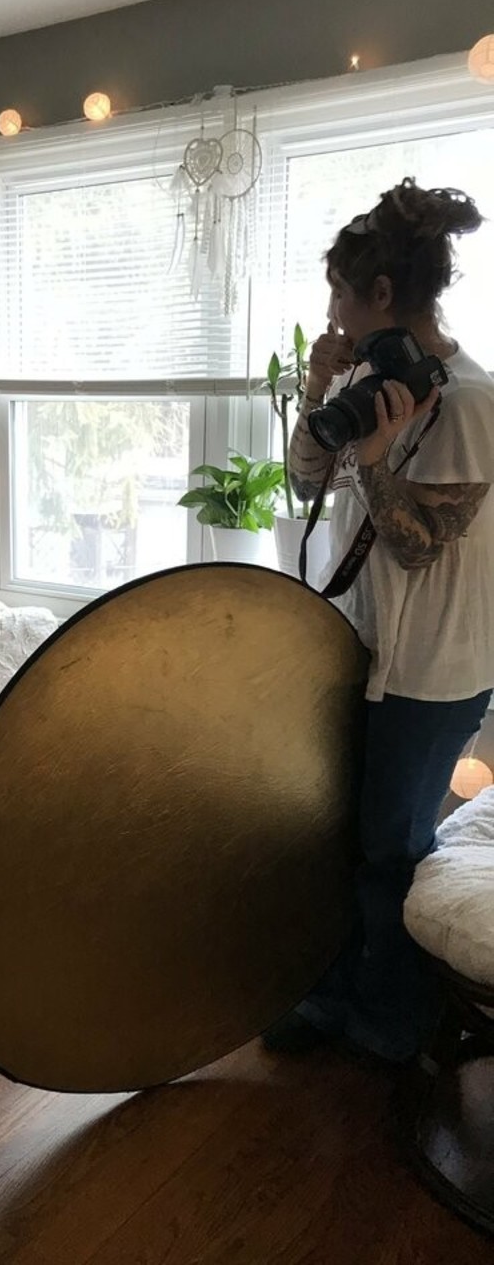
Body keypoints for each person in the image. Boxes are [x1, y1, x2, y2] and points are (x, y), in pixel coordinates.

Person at [263, 178, 494, 1065]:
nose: (333, 313)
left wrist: (369, 460)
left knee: (391, 850)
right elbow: (303, 481)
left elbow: (420, 545)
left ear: (383, 293)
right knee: (337, 837)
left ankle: (393, 1023)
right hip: (359, 651)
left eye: (340, 295)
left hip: (433, 671)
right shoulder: (369, 379)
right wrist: (320, 391)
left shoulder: (468, 401)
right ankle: (330, 997)